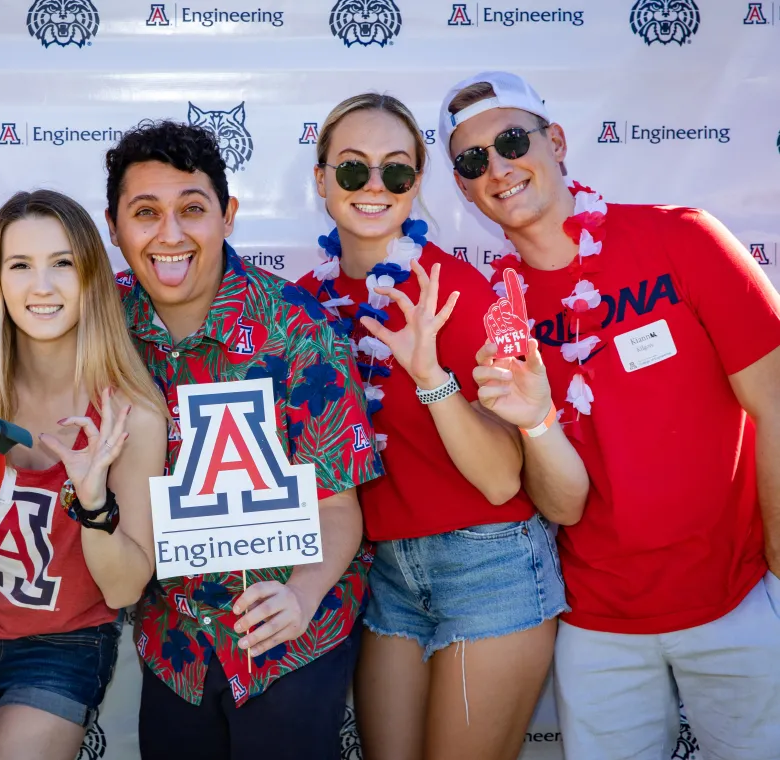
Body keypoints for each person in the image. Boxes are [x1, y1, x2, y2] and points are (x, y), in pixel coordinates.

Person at [440, 70, 780, 760]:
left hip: (737, 600)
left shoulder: (680, 237)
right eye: (473, 160)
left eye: (511, 140)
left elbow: (774, 402)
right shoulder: (496, 315)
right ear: (464, 187)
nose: (498, 167)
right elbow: (556, 502)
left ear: (556, 141)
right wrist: (534, 424)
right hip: (596, 624)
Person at [296, 93, 587, 760]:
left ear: (416, 186)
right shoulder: (304, 308)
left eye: (396, 171)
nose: (375, 187)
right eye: (352, 169)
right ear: (321, 180)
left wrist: (431, 378)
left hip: (487, 562)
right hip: (386, 575)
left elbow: (498, 480)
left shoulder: (455, 292)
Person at [103, 120, 381, 760]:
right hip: (176, 643)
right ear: (116, 227)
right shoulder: (101, 326)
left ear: (227, 216)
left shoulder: (296, 328)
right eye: (145, 213)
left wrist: (302, 595)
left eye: (192, 210)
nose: (170, 234)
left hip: (290, 633)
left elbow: (339, 507)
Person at [0, 189, 168, 760]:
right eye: (20, 265)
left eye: (62, 264)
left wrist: (92, 501)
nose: (41, 286)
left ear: (92, 278)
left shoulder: (132, 414)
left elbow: (124, 587)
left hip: (63, 643)